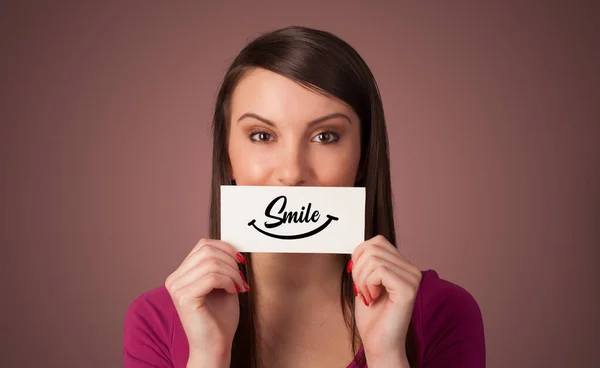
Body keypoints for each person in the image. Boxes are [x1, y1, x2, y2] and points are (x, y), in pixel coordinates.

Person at [123, 26, 485, 368]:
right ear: (226, 155)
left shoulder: (442, 311)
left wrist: (388, 356)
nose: (292, 172)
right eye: (262, 135)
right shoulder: (157, 320)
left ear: (363, 156)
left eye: (325, 136)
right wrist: (207, 354)